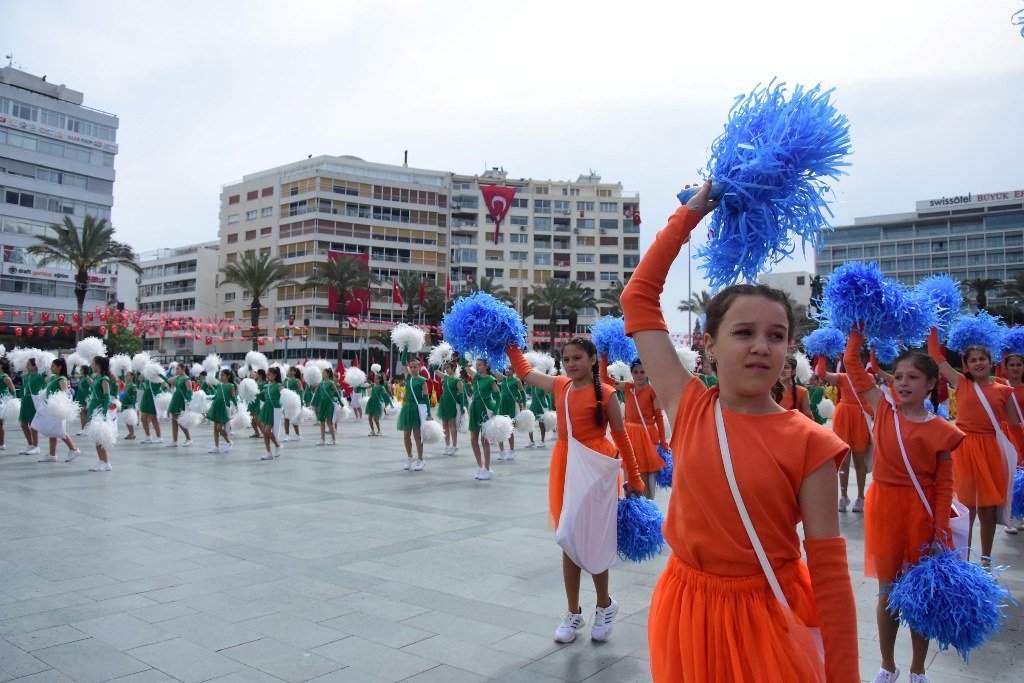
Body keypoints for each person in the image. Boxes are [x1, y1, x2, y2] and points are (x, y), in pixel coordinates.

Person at [621, 182, 858, 682]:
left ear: (789, 349)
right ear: (708, 345)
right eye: (743, 332)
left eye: (776, 336)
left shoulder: (811, 442)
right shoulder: (687, 404)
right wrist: (685, 217)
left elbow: (832, 575)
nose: (761, 347)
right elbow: (638, 298)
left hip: (766, 613)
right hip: (684, 605)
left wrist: (845, 675)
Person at [840, 330, 964, 683]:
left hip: (921, 513)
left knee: (920, 594)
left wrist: (939, 530)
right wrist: (858, 332)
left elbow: (944, 485)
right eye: (898, 377)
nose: (904, 383)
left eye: (913, 377)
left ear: (931, 385)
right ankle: (887, 665)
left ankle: (917, 669)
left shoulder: (941, 428)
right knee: (887, 591)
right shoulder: (882, 408)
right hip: (884, 506)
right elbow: (852, 364)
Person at [506, 337, 644, 644]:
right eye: (566, 359)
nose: (571, 364)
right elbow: (525, 373)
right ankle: (573, 612)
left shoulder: (607, 394)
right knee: (567, 537)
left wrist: (634, 477)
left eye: (577, 357)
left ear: (593, 359)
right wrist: (509, 340)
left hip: (595, 468)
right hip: (566, 464)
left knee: (593, 539)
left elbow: (622, 439)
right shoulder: (560, 386)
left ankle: (605, 605)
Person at [928, 328, 1019, 563]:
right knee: (966, 509)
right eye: (973, 360)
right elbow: (937, 357)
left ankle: (986, 560)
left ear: (991, 362)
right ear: (965, 365)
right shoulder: (961, 383)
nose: (978, 363)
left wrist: (1019, 455)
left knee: (988, 510)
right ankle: (964, 561)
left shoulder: (1004, 391)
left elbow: (1014, 426)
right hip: (963, 449)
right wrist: (934, 327)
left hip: (991, 451)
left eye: (982, 359)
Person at [601, 357, 668, 499]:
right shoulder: (627, 387)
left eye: (642, 372)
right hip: (628, 435)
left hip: (645, 437)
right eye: (636, 371)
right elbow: (604, 379)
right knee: (628, 472)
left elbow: (659, 418)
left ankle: (646, 506)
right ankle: (632, 506)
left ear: (648, 373)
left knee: (643, 475)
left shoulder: (652, 391)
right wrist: (604, 357)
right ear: (631, 373)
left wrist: (663, 441)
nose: (639, 375)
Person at [817, 352, 874, 513]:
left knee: (859, 460)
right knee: (844, 459)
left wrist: (873, 351)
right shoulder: (842, 377)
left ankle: (861, 497)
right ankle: (843, 496)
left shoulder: (868, 378)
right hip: (844, 417)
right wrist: (822, 353)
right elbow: (821, 374)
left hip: (860, 417)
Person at [34, 357, 83, 463]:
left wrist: (58, 405)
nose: (51, 368)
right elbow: (44, 380)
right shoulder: (53, 378)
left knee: (59, 431)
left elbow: (65, 392)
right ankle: (52, 455)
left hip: (56, 408)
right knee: (52, 431)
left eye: (53, 366)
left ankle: (74, 449)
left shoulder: (62, 379)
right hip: (49, 407)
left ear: (59, 367)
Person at [398, 357, 432, 471]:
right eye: (411, 367)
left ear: (419, 368)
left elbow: (426, 397)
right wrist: (406, 344)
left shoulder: (422, 380)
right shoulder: (408, 378)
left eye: (415, 367)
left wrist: (429, 413)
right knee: (406, 435)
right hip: (408, 409)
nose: (412, 369)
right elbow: (403, 362)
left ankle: (421, 459)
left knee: (417, 436)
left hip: (418, 409)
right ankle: (409, 457)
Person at [468, 359, 500, 479]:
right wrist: (460, 351)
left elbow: (498, 395)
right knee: (473, 439)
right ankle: (480, 466)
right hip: (475, 408)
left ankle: (487, 468)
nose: (477, 367)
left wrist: (495, 411)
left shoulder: (491, 379)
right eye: (477, 365)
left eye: (480, 365)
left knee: (484, 440)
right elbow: (464, 367)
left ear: (486, 366)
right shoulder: (476, 377)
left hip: (486, 408)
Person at [85, 356, 115, 471]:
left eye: (93, 363)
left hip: (99, 410)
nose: (91, 365)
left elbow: (107, 397)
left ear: (98, 365)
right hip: (94, 408)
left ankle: (106, 462)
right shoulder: (97, 377)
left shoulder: (104, 378)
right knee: (96, 436)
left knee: (100, 437)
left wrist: (103, 413)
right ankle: (101, 460)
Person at [18, 356, 45, 455]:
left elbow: (47, 378)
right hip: (26, 400)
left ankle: (36, 446)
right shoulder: (28, 375)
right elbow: (19, 374)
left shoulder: (39, 376)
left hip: (34, 401)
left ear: (35, 366)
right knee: (23, 424)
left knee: (33, 425)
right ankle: (30, 445)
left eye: (28, 365)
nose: (26, 366)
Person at [435, 361, 463, 453]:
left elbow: (461, 394)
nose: (446, 369)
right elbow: (435, 369)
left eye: (448, 367)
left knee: (452, 425)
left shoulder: (457, 380)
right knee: (444, 425)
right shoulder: (445, 377)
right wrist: (439, 358)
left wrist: (462, 407)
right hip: (444, 402)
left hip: (452, 403)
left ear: (453, 368)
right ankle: (447, 445)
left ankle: (454, 446)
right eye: (445, 368)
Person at [207, 368, 235, 453]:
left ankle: (228, 442)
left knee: (219, 428)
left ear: (228, 376)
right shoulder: (219, 385)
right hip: (216, 406)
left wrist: (237, 408)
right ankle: (216, 446)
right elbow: (216, 394)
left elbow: (233, 399)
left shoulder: (231, 386)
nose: (221, 377)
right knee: (215, 428)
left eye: (223, 375)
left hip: (224, 407)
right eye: (221, 375)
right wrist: (216, 367)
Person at [165, 362, 193, 448]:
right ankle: (174, 441)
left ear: (183, 369)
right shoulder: (178, 377)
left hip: (181, 401)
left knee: (181, 421)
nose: (176, 370)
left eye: (178, 369)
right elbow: (168, 380)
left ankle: (189, 439)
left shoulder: (187, 379)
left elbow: (189, 393)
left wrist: (189, 404)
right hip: (175, 399)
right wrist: (159, 373)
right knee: (173, 420)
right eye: (176, 369)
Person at [259, 366, 284, 460]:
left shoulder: (278, 386)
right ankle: (268, 453)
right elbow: (262, 398)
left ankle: (278, 445)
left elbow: (284, 396)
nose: (267, 376)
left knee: (266, 431)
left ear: (274, 375)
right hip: (266, 409)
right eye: (267, 374)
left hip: (274, 409)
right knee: (265, 432)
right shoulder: (266, 386)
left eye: (269, 374)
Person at [137, 367, 166, 445]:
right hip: (146, 397)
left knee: (153, 418)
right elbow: (143, 383)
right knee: (143, 418)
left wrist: (161, 395)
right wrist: (141, 379)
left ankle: (159, 437)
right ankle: (148, 436)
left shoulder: (158, 377)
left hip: (154, 398)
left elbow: (165, 385)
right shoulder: (148, 377)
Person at [313, 367, 340, 446]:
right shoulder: (321, 383)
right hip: (322, 404)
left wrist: (341, 403)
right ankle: (322, 440)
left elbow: (337, 394)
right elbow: (317, 391)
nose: (322, 374)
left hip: (329, 404)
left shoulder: (332, 383)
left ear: (328, 374)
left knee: (329, 422)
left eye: (324, 373)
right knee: (322, 421)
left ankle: (334, 440)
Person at [525, 383, 552, 448]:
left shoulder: (543, 386)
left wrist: (550, 408)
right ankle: (531, 441)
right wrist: (527, 384)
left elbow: (548, 397)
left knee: (541, 424)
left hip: (541, 407)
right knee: (530, 423)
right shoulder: (532, 386)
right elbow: (527, 392)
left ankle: (542, 441)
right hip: (533, 407)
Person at [282, 366, 303, 442]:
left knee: (294, 419)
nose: (287, 371)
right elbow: (283, 388)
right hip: (287, 401)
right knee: (286, 418)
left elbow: (301, 391)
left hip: (294, 401)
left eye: (289, 370)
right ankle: (287, 435)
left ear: (293, 372)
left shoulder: (297, 381)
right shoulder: (286, 380)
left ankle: (297, 435)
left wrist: (301, 401)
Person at [0, 357, 16, 450]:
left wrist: (12, 403)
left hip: (2, 401)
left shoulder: (5, 376)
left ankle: (2, 444)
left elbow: (13, 389)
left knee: (0, 423)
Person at [73, 363, 92, 435]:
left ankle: (85, 429)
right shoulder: (81, 377)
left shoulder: (88, 378)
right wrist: (74, 365)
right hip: (80, 395)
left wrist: (90, 396)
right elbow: (72, 375)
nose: (80, 370)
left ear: (85, 370)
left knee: (84, 413)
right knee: (82, 413)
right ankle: (84, 429)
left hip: (85, 396)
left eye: (81, 369)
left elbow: (93, 387)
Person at [120, 370, 138, 440]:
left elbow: (135, 396)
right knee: (126, 420)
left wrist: (133, 405)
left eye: (128, 375)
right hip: (124, 404)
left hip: (129, 405)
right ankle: (131, 433)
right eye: (126, 375)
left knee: (129, 419)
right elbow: (122, 378)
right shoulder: (127, 385)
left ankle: (132, 433)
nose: (126, 376)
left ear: (132, 376)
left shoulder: (134, 385)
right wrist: (122, 369)